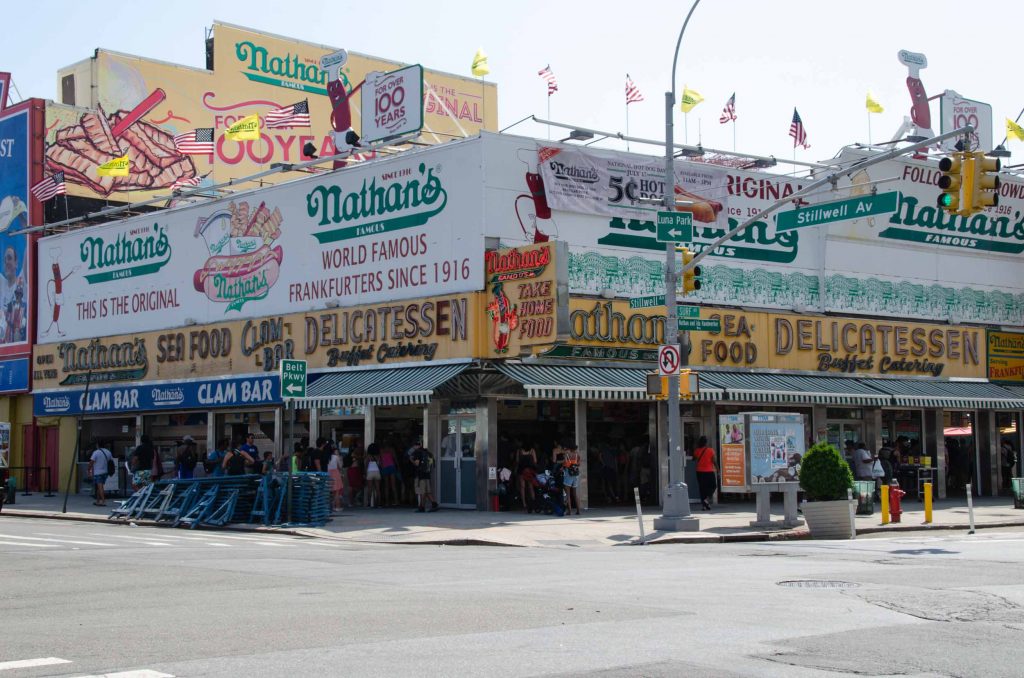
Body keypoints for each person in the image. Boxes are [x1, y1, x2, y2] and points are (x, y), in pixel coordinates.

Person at [693, 436, 717, 511]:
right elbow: (714, 461)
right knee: (713, 486)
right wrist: (718, 469)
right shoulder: (711, 450)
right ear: (706, 442)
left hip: (699, 471)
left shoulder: (697, 450)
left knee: (702, 488)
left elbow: (693, 458)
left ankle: (704, 505)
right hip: (709, 471)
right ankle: (706, 499)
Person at [411, 445, 438, 512]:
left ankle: (421, 507)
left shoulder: (417, 452)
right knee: (427, 491)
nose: (413, 447)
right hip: (427, 475)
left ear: (417, 446)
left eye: (414, 446)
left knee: (422, 491)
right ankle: (434, 504)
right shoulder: (428, 453)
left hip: (420, 475)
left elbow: (416, 464)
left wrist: (411, 459)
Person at [88, 440, 113, 506]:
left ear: (97, 445)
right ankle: (98, 501)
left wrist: (88, 470)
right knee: (100, 487)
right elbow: (111, 461)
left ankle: (103, 501)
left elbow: (91, 462)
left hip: (98, 472)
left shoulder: (96, 452)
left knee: (100, 487)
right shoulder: (108, 452)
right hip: (105, 472)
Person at [562, 443, 582, 516]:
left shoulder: (567, 455)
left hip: (568, 475)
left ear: (569, 448)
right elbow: (579, 464)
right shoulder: (577, 455)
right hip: (575, 475)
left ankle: (569, 511)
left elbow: (565, 464)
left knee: (568, 494)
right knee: (575, 493)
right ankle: (578, 510)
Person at [516, 444, 537, 512]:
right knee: (531, 487)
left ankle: (524, 503)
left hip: (521, 470)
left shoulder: (519, 451)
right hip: (530, 470)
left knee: (522, 487)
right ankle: (533, 502)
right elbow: (535, 461)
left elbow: (517, 461)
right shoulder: (532, 450)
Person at [379, 442, 400, 507]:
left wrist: (381, 467)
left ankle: (387, 502)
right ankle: (396, 501)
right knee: (393, 486)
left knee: (386, 486)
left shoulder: (381, 450)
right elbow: (395, 458)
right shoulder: (391, 449)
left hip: (385, 467)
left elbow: (380, 460)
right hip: (392, 466)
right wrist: (398, 466)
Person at [364, 443, 382, 508]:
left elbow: (366, 465)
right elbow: (380, 464)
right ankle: (379, 504)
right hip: (377, 472)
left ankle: (369, 504)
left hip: (370, 472)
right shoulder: (378, 456)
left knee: (370, 489)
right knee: (378, 489)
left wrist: (365, 473)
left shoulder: (368, 456)